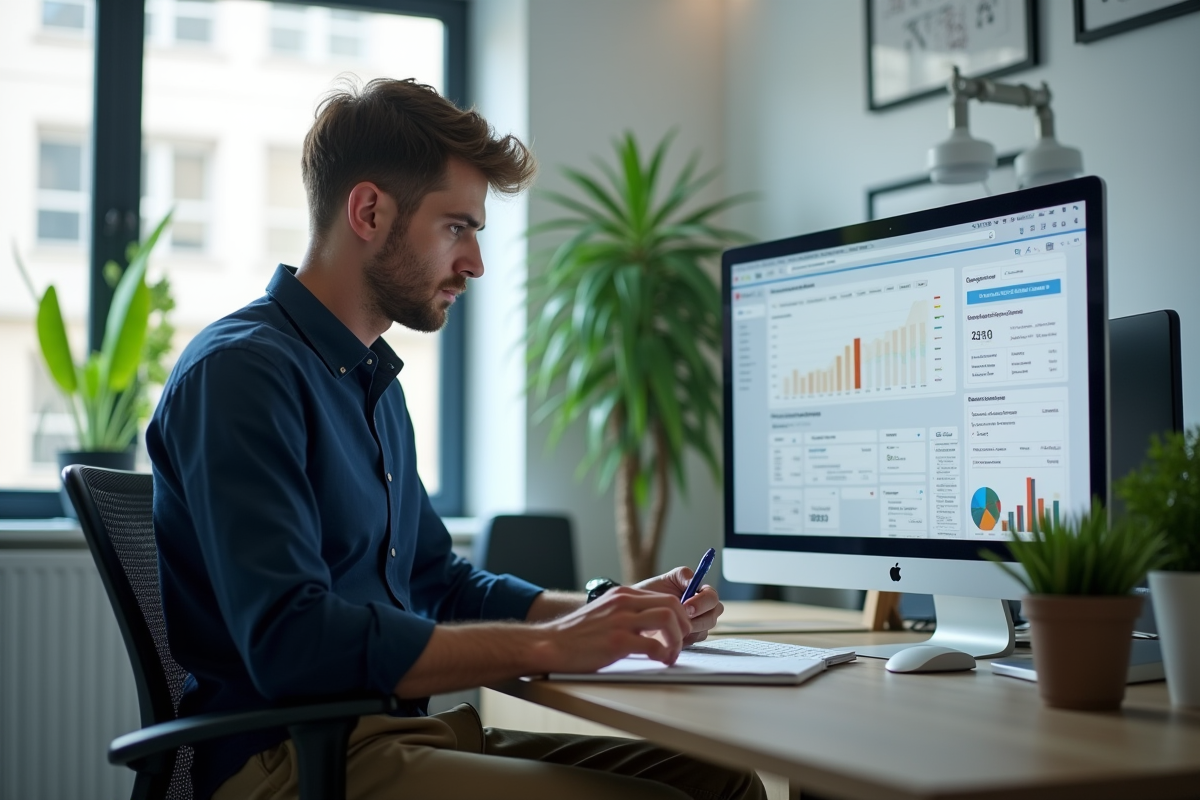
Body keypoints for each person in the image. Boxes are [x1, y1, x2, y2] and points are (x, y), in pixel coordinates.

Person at [146, 78, 765, 800]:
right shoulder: (242, 374)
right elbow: (294, 642)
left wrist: (607, 614)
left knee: (722, 784)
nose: (474, 262)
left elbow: (441, 584)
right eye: (456, 228)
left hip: (394, 740)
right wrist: (551, 644)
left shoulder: (371, 383)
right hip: (290, 764)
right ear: (369, 212)